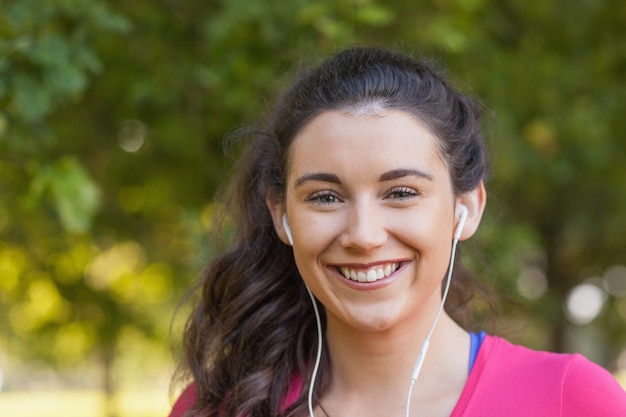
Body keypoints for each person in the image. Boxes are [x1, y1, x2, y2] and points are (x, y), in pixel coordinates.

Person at [169, 47, 626, 417]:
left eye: (401, 192)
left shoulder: (572, 400)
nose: (363, 236)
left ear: (466, 208)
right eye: (325, 197)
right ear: (281, 216)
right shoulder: (216, 409)